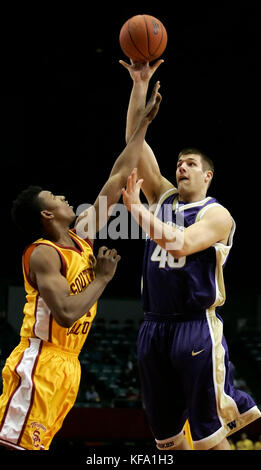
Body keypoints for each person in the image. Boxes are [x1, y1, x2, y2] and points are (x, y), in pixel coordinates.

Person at [0, 83, 162, 451]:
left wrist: (143, 124)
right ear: (47, 214)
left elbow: (119, 176)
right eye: (56, 198)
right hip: (39, 361)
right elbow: (68, 312)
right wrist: (103, 277)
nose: (64, 197)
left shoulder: (81, 236)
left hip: (69, 366)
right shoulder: (43, 253)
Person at [120, 59, 261, 450]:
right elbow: (135, 141)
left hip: (194, 326)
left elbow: (180, 243)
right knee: (167, 439)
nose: (181, 167)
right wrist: (140, 83)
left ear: (207, 176)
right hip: (153, 326)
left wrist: (136, 211)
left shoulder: (217, 214)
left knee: (207, 437)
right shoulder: (162, 197)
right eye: (179, 162)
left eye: (191, 164)